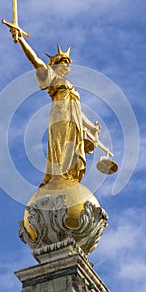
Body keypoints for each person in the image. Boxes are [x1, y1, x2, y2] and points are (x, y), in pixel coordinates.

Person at [9, 28, 100, 186]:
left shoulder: (70, 86)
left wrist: (92, 127)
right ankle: (58, 177)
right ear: (56, 64)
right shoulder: (52, 77)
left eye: (69, 61)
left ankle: (68, 178)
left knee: (73, 148)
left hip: (74, 120)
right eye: (64, 61)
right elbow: (35, 61)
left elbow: (77, 111)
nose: (68, 63)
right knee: (60, 145)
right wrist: (22, 40)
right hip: (60, 116)